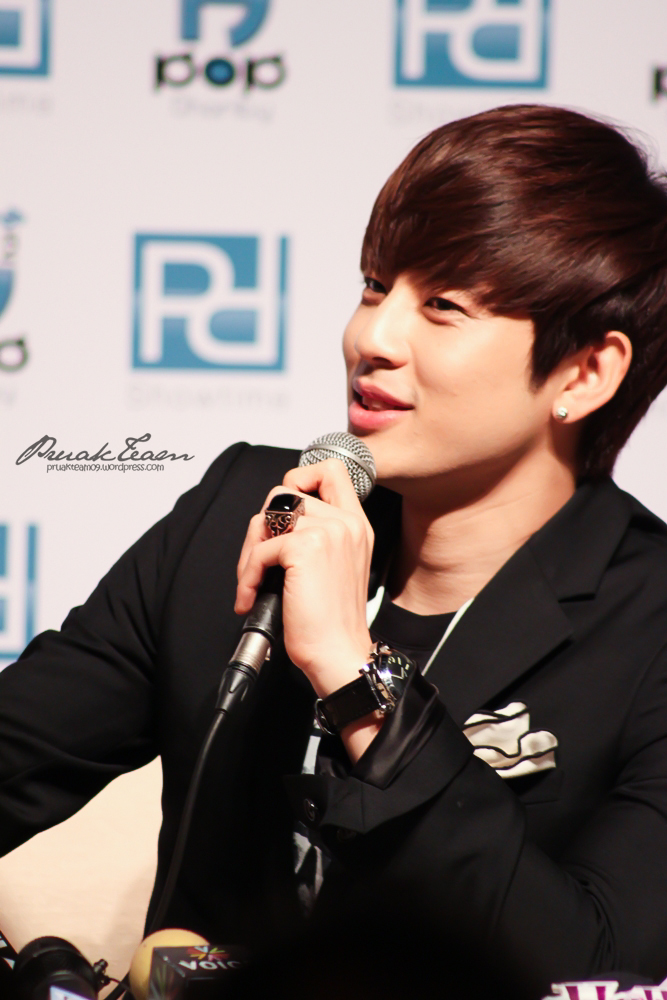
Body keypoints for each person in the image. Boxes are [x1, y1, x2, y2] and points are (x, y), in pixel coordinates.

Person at [2, 103, 667, 999]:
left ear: (584, 372)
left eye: (442, 307)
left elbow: (589, 966)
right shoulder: (246, 512)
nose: (371, 339)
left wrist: (354, 678)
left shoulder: (650, 622)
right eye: (373, 287)